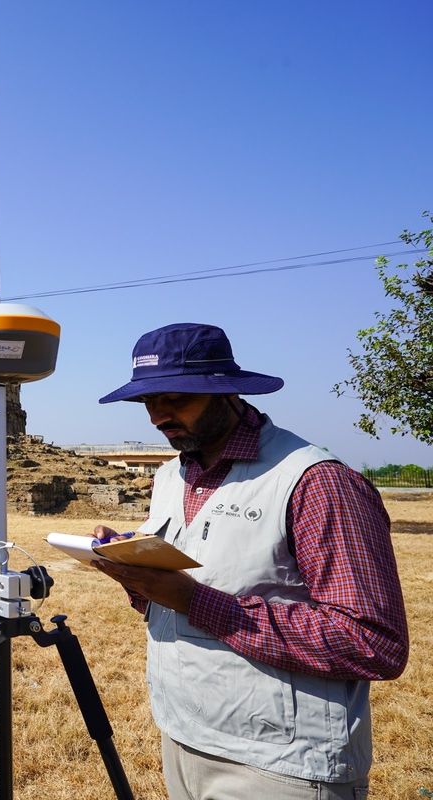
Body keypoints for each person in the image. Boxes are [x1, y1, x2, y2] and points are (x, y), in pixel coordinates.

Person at [92, 322, 408, 799]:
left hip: (282, 764)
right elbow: (188, 592)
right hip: (184, 736)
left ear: (227, 392)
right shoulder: (170, 478)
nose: (159, 417)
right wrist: (137, 576)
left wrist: (195, 600)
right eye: (148, 402)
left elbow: (372, 641)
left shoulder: (315, 482)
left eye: (176, 398)